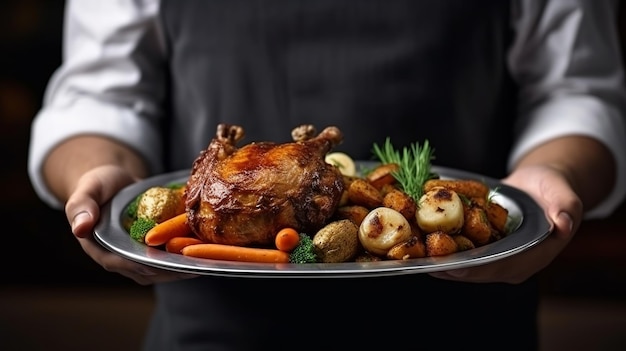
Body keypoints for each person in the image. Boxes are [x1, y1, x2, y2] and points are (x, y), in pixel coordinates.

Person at [29, 0, 626, 350]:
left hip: (461, 323)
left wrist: (552, 172)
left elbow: (574, 90)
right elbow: (98, 98)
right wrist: (98, 174)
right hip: (213, 324)